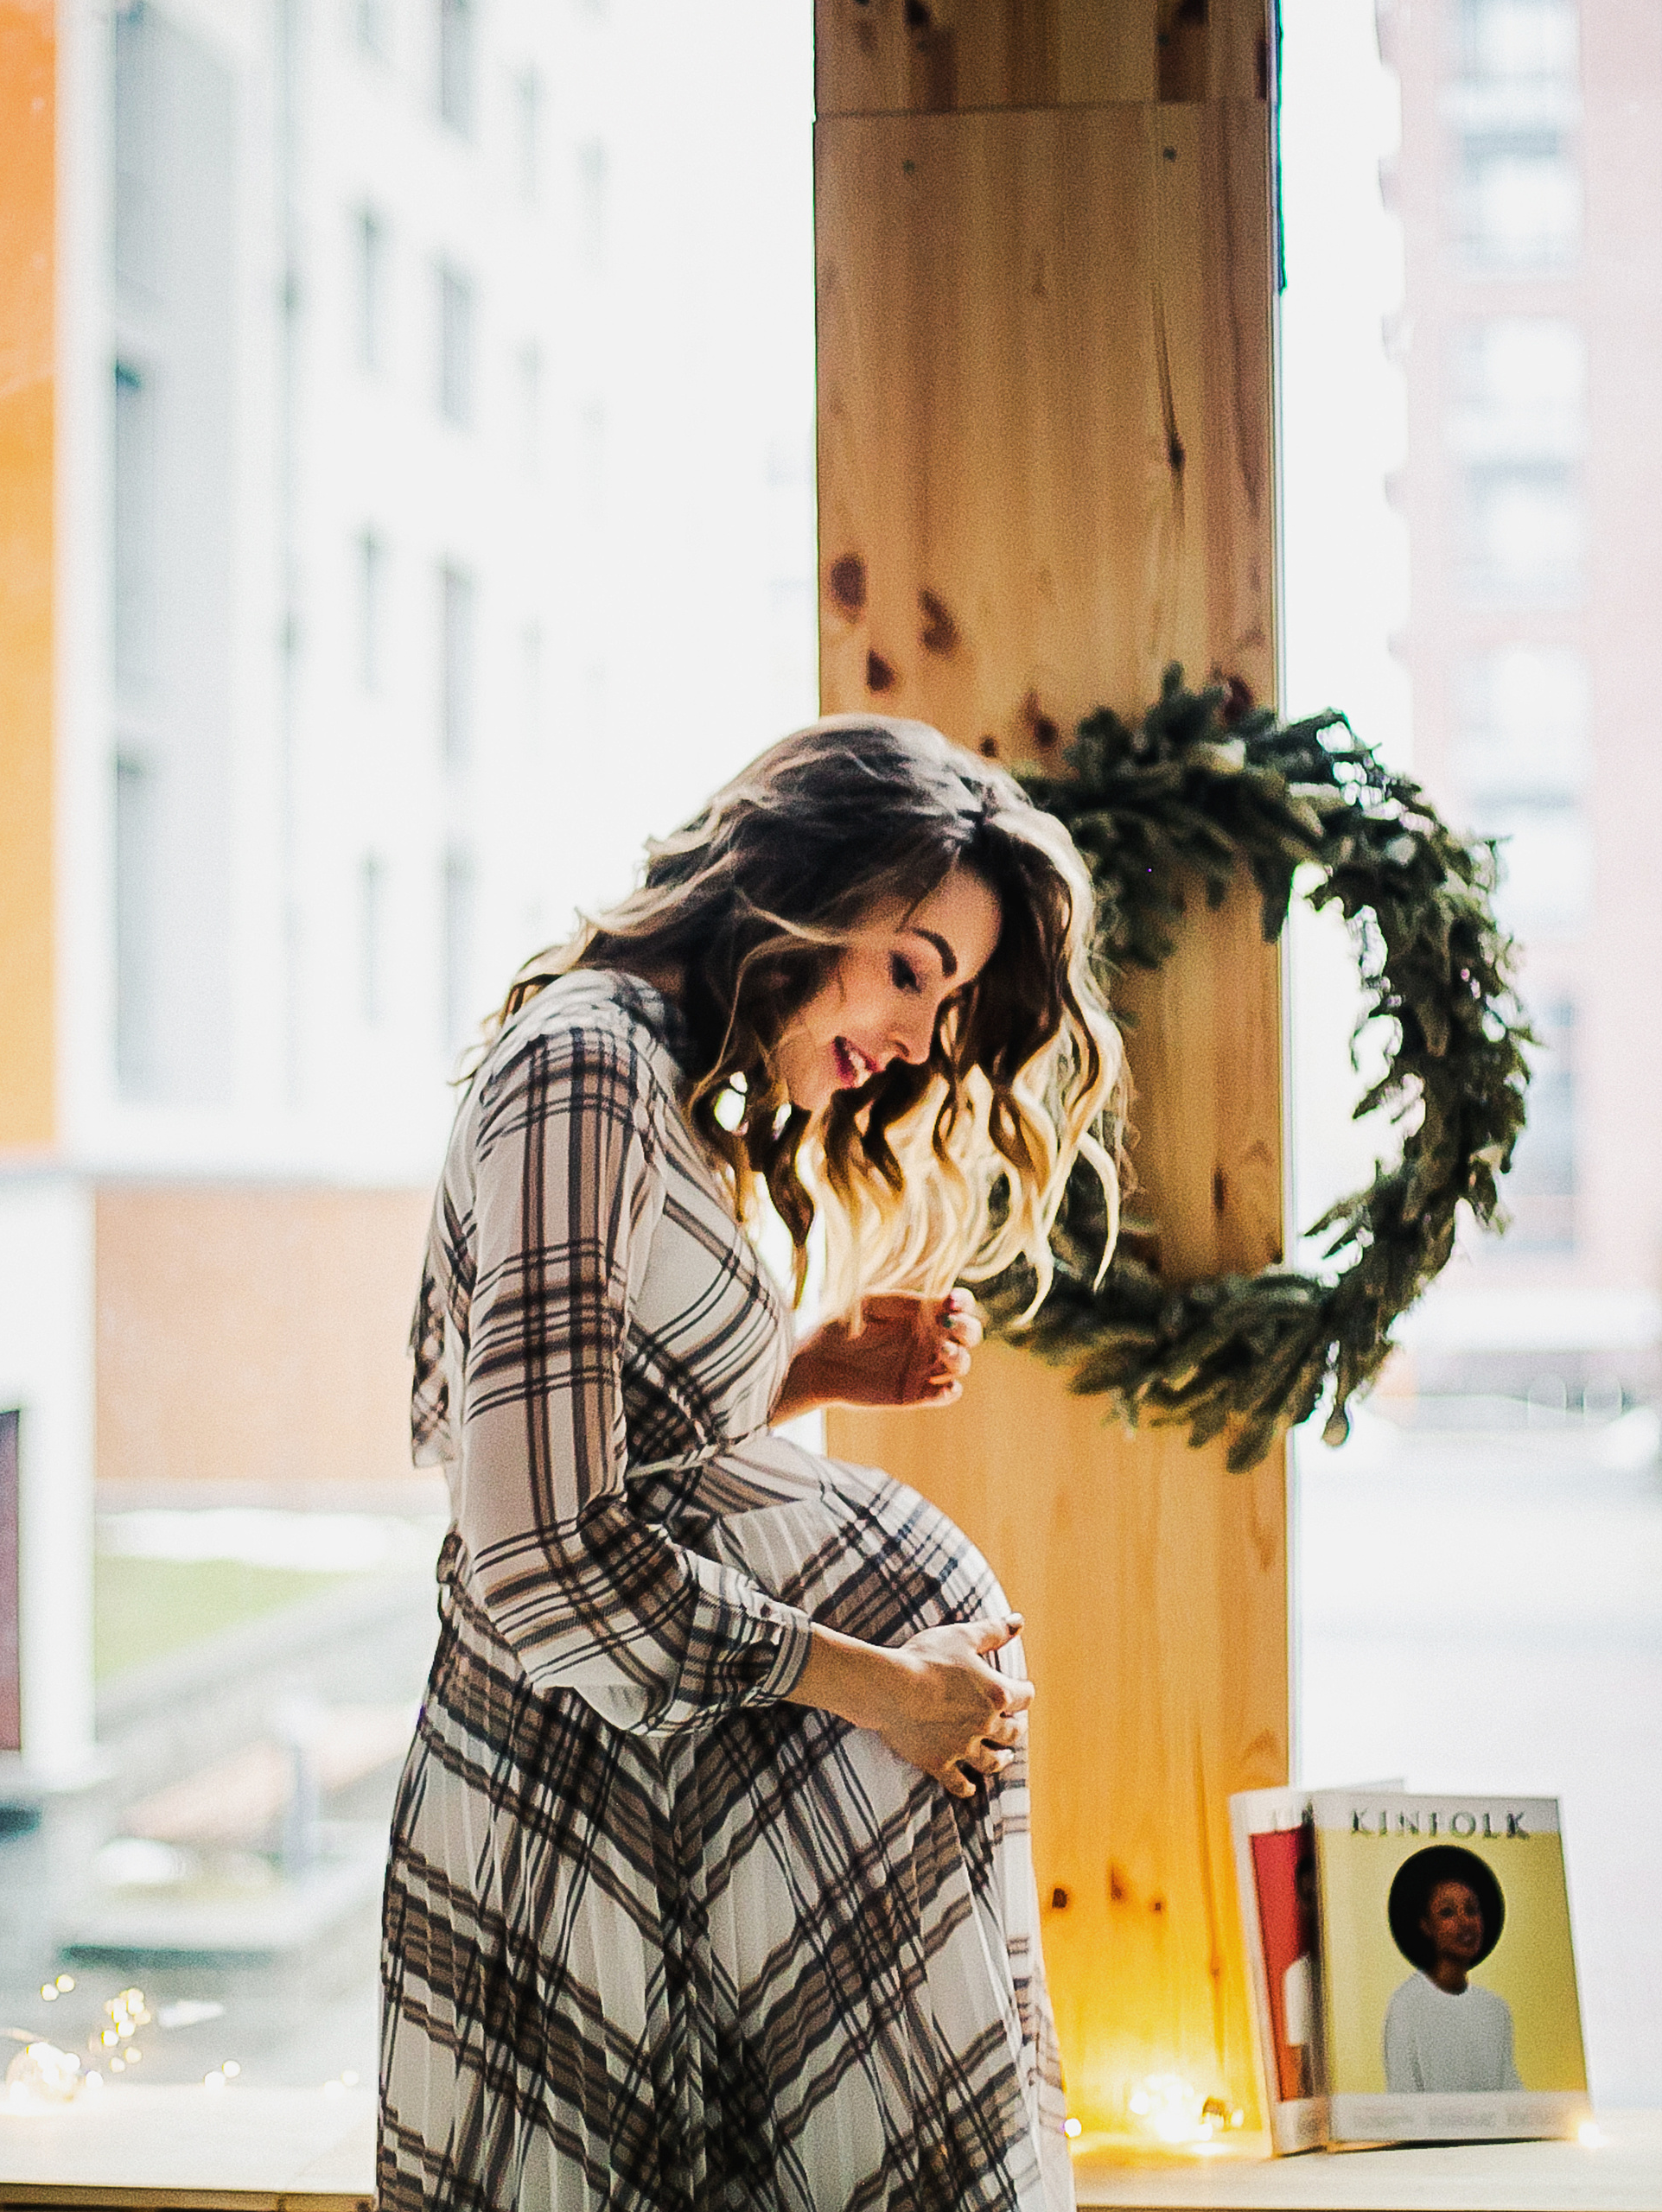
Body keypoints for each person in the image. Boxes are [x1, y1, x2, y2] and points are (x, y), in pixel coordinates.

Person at [378, 719, 1124, 2212]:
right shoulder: (585, 1070)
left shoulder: (650, 1081)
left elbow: (624, 1451)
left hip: (661, 1792)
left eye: (949, 999)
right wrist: (883, 1688)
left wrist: (816, 1368)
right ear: (802, 880)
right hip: (576, 1800)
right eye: (912, 965)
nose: (920, 1040)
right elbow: (540, 1547)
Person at [1380, 1846, 1522, 2095]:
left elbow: (1509, 2092)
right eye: (1447, 1913)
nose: (1464, 1922)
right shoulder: (1406, 2005)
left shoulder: (1495, 2009)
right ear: (1426, 1926)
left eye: (1471, 1910)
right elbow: (1403, 2096)